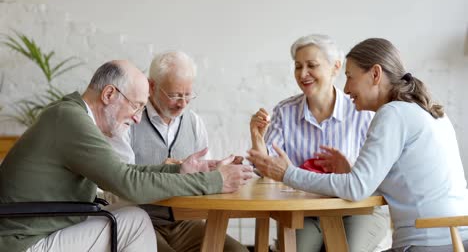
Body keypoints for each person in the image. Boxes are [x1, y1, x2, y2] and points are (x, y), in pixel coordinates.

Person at [0, 60, 253, 252]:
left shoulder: (72, 115)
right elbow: (127, 183)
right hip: (24, 242)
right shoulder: (70, 120)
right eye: (136, 106)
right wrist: (216, 181)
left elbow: (124, 173)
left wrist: (181, 170)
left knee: (130, 217)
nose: (137, 117)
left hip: (40, 229)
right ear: (109, 94)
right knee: (135, 220)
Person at [247, 38, 468, 251]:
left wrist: (288, 174)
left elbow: (356, 188)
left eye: (350, 77)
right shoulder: (428, 110)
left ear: (375, 74)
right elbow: (400, 182)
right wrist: (351, 172)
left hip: (426, 243)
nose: (346, 88)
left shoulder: (393, 113)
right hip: (456, 239)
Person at [250, 34, 389, 252]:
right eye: (298, 66)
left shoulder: (363, 111)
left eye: (311, 65)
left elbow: (379, 177)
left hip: (358, 208)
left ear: (335, 67)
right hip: (305, 212)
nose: (303, 74)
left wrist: (348, 169)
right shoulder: (285, 112)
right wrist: (257, 137)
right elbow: (266, 169)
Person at [107, 51, 248, 252]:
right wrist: (164, 171)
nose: (182, 103)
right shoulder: (129, 120)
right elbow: (118, 181)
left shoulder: (194, 122)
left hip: (185, 221)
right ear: (152, 86)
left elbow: (203, 182)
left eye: (187, 94)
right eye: (174, 95)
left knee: (238, 251)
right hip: (139, 219)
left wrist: (216, 170)